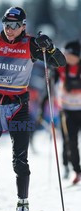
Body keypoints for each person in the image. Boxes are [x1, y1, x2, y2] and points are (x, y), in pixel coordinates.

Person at [0, 7, 66, 211]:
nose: (9, 30)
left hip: (18, 108)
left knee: (20, 160)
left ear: (23, 26)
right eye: (6, 24)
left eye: (14, 26)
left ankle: (23, 206)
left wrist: (49, 49)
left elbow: (60, 63)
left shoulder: (31, 44)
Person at [55, 40, 81, 184]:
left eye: (71, 56)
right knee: (71, 141)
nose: (68, 59)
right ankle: (76, 170)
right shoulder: (60, 67)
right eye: (66, 55)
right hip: (67, 110)